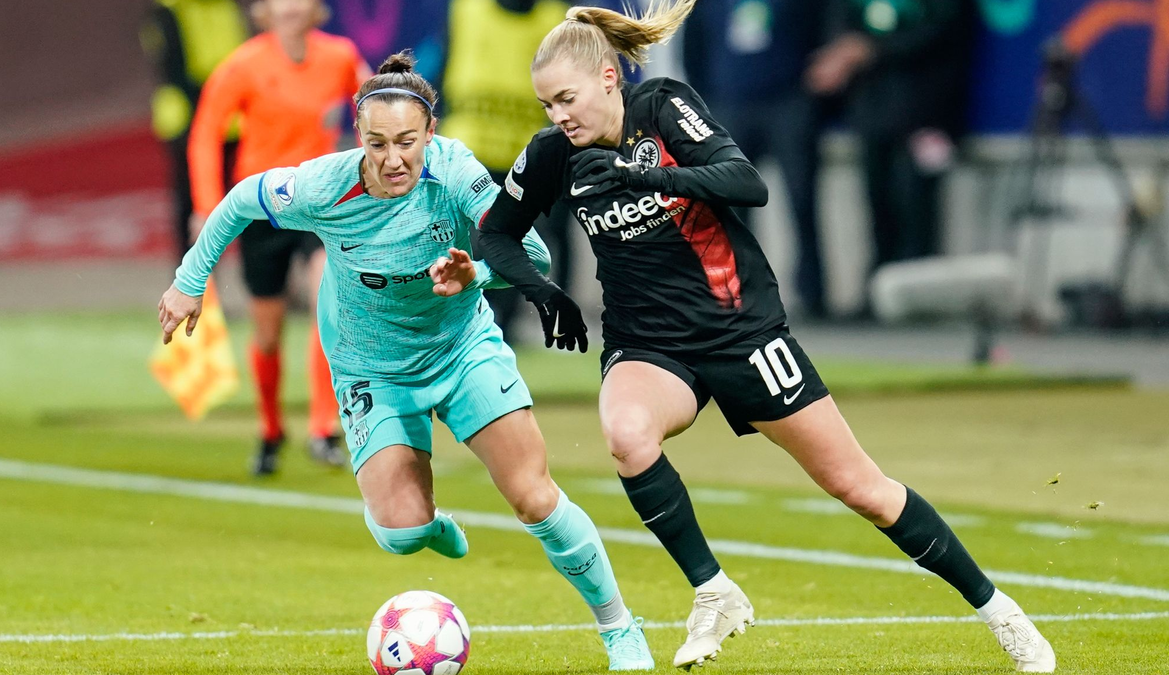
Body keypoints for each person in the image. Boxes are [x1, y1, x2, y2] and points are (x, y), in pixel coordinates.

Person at [474, 1, 1056, 672]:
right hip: (650, 343)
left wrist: (651, 176)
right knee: (626, 435)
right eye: (547, 105)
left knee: (861, 486)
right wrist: (544, 292)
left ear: (609, 77)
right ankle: (713, 590)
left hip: (740, 329)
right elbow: (495, 231)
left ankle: (998, 609)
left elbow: (747, 182)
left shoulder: (662, 107)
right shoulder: (555, 155)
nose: (557, 116)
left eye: (566, 99)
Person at [158, 51, 655, 671]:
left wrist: (475, 272)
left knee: (533, 496)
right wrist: (189, 282)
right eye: (377, 143)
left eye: (407, 142)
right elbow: (239, 201)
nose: (393, 159)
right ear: (359, 137)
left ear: (431, 134)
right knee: (401, 533)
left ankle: (620, 629)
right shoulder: (322, 185)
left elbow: (532, 251)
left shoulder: (455, 174)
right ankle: (429, 525)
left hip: (460, 350)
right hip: (372, 369)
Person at [189, 0, 370, 474]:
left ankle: (324, 427)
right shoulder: (243, 64)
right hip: (261, 207)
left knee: (327, 302)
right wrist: (207, 206)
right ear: (263, 11)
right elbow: (206, 132)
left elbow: (376, 105)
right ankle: (270, 430)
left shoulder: (341, 56)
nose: (291, 7)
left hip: (318, 203)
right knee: (266, 331)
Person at [805, 0, 976, 280]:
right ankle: (879, 287)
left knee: (916, 203)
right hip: (872, 110)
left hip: (926, 111)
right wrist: (843, 52)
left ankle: (917, 288)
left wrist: (873, 50)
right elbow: (840, 24)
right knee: (877, 200)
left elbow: (942, 31)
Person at [439, 0, 577, 342]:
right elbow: (439, 68)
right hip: (470, 157)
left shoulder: (555, 19)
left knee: (531, 248)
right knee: (464, 247)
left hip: (527, 159)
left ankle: (507, 327)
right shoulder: (467, 10)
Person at [681, 0, 829, 318]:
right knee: (732, 210)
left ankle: (813, 293)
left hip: (788, 100)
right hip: (731, 106)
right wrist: (708, 106)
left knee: (802, 200)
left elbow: (818, 32)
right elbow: (693, 50)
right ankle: (740, 294)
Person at [139, 0, 248, 259]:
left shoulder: (225, 6)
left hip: (233, 119)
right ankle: (193, 282)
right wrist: (220, 103)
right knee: (194, 203)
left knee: (247, 197)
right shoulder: (168, 9)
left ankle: (268, 283)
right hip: (188, 118)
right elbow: (173, 69)